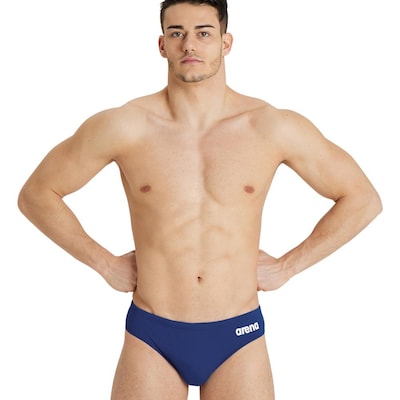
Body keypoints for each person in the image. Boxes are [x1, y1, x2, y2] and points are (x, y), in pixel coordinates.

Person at [17, 0, 382, 399]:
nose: (189, 44)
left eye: (203, 33)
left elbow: (362, 198)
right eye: (177, 33)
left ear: (226, 42)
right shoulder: (124, 125)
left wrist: (288, 266)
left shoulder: (270, 126)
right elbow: (37, 194)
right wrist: (104, 263)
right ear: (162, 45)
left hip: (238, 333)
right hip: (152, 331)